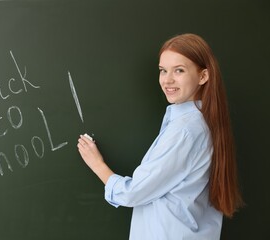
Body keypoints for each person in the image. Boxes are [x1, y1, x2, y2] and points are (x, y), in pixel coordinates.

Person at [77, 33, 243, 240]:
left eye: (179, 71)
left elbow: (133, 193)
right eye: (163, 71)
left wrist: (97, 164)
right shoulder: (200, 122)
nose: (167, 80)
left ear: (203, 76)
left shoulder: (185, 131)